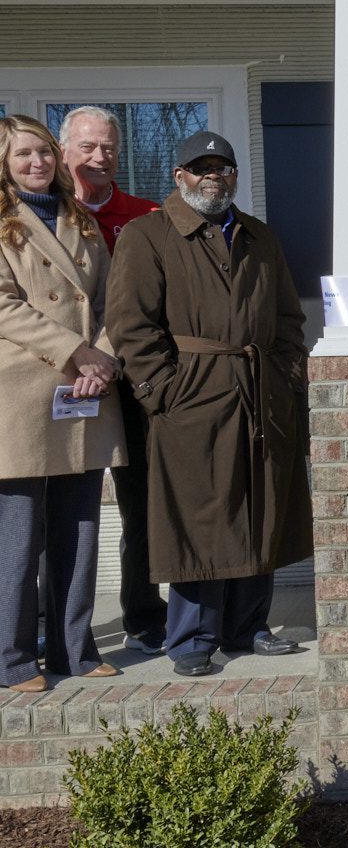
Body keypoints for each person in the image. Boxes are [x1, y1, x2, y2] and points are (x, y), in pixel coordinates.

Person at [106, 130, 311, 677]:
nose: (212, 176)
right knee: (199, 517)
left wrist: (287, 380)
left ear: (235, 176)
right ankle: (193, 636)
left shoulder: (260, 238)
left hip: (259, 390)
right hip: (190, 396)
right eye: (200, 167)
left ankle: (248, 627)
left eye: (222, 167)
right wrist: (163, 392)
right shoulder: (149, 235)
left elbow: (289, 321)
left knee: (258, 507)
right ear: (179, 176)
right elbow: (130, 325)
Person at [0, 114, 126, 691]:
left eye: (45, 153)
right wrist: (77, 352)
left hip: (85, 390)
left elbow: (109, 300)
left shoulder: (81, 220)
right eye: (24, 154)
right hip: (23, 395)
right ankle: (13, 658)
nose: (38, 163)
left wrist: (100, 359)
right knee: (19, 537)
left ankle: (74, 650)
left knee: (78, 527)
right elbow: (4, 305)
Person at [58, 105, 168, 655]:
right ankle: (48, 624)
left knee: (142, 504)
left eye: (108, 148)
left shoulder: (146, 216)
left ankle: (144, 615)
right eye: (87, 147)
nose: (99, 157)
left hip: (131, 381)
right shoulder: (38, 216)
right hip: (61, 378)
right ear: (63, 152)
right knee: (58, 507)